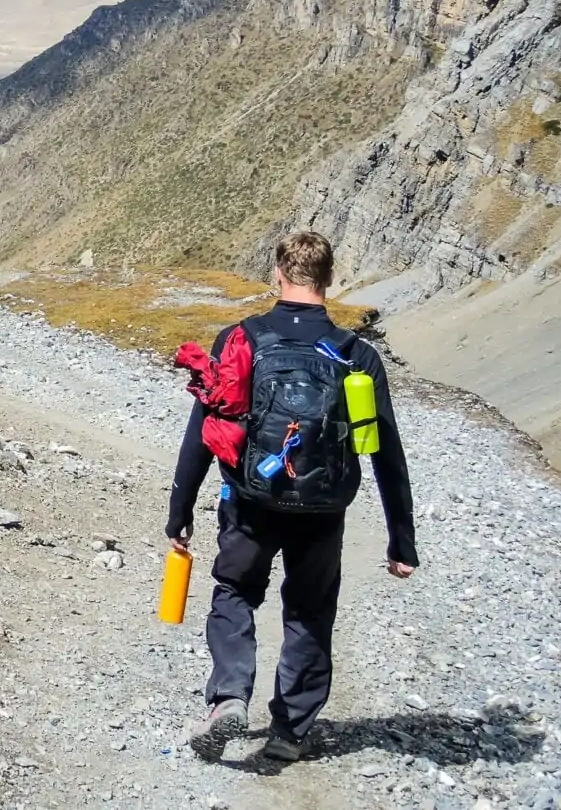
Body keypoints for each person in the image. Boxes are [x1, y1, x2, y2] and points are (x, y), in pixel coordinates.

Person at [165, 230, 418, 764]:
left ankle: (229, 698)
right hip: (324, 511)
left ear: (277, 274)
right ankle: (290, 731)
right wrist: (401, 541)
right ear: (330, 279)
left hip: (251, 501)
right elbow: (386, 454)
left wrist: (180, 508)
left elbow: (204, 429)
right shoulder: (357, 355)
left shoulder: (242, 338)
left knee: (234, 590)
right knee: (309, 610)